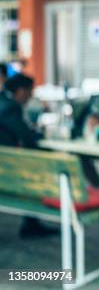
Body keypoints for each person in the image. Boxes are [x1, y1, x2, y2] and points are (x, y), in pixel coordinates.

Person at [0, 73, 57, 237]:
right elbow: (25, 135)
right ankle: (31, 225)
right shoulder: (10, 107)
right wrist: (41, 136)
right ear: (20, 91)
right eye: (30, 92)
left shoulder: (3, 101)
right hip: (4, 167)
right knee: (36, 169)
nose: (30, 97)